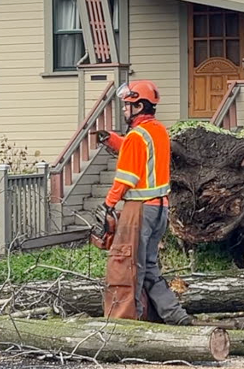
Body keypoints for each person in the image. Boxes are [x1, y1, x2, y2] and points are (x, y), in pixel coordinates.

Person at [94, 80, 192, 325]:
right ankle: (176, 317)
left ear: (138, 106)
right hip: (160, 209)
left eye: (127, 106)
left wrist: (109, 204)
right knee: (149, 269)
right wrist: (113, 140)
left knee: (128, 267)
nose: (125, 110)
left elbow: (127, 176)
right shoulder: (157, 131)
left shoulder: (137, 136)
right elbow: (137, 152)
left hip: (140, 210)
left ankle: (129, 322)